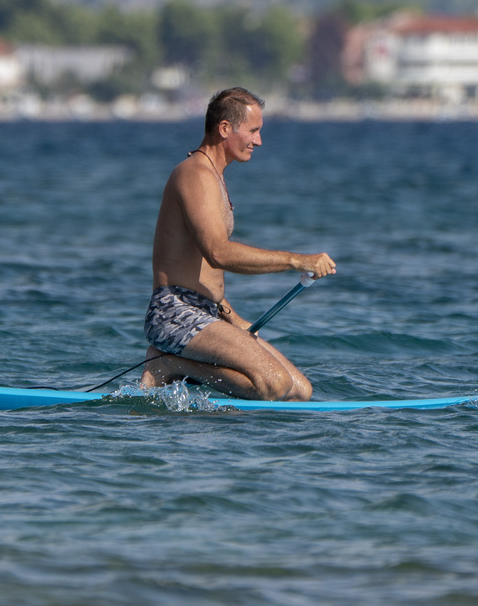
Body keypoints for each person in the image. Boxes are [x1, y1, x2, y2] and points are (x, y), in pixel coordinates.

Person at [142, 87, 336, 401]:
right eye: (254, 131)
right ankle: (167, 364)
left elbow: (202, 267)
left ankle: (188, 372)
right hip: (174, 313)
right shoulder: (195, 175)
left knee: (299, 390)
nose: (258, 141)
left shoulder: (214, 176)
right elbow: (217, 253)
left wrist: (230, 316)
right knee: (272, 384)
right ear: (224, 129)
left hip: (209, 311)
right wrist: (296, 261)